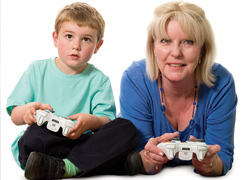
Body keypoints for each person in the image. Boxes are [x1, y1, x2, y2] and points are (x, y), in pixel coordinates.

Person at [6, 2, 140, 179]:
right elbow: (15, 115)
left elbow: (106, 120)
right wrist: (27, 111)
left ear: (97, 46)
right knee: (31, 137)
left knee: (127, 128)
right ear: (55, 38)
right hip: (47, 141)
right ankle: (109, 163)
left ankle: (65, 167)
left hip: (81, 141)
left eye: (86, 39)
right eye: (69, 36)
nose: (76, 45)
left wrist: (89, 121)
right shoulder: (36, 70)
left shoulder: (99, 80)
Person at [119, 1, 237, 177]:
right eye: (165, 41)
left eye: (188, 42)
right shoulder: (135, 80)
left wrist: (210, 164)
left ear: (202, 50)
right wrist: (147, 161)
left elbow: (222, 155)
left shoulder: (222, 83)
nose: (176, 52)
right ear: (153, 47)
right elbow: (137, 154)